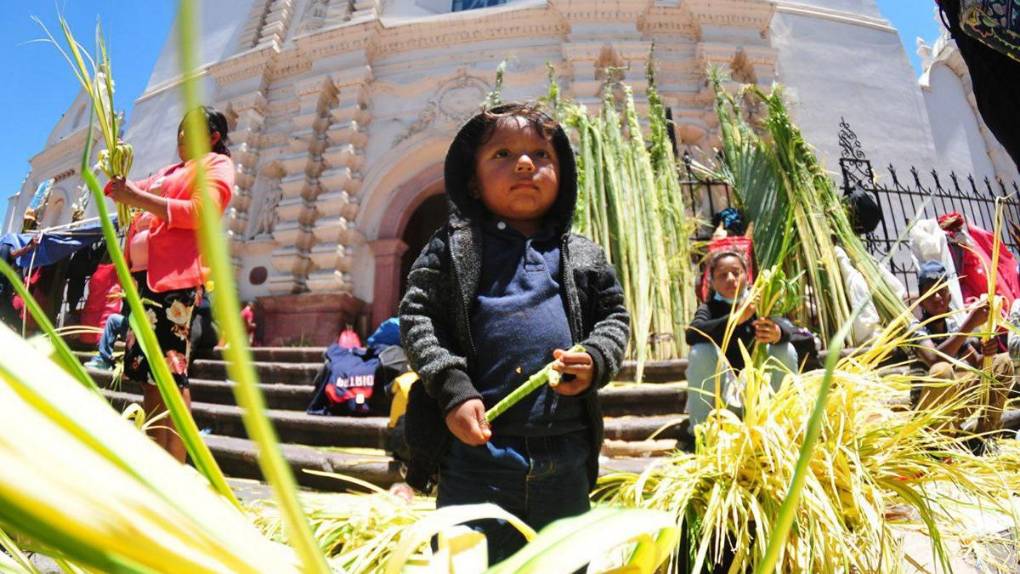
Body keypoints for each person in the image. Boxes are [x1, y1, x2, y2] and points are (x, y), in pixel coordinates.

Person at [399, 102, 629, 564]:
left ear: (562, 175)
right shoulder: (451, 248)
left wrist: (597, 357)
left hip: (565, 456)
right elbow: (418, 317)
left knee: (563, 563)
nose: (525, 163)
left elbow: (615, 318)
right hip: (477, 457)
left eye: (541, 156)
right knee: (470, 564)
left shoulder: (582, 254)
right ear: (472, 182)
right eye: (502, 154)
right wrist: (452, 389)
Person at [106, 106, 234, 462]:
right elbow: (122, 191)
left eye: (189, 131)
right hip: (140, 283)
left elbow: (201, 211)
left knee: (170, 372)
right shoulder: (168, 172)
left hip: (173, 284)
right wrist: (116, 170)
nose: (180, 137)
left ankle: (175, 466)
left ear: (213, 138)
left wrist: (137, 198)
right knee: (147, 374)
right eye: (179, 131)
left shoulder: (216, 165)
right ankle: (155, 461)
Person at [684, 250, 798, 429]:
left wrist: (778, 333)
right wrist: (736, 318)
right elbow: (692, 334)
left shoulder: (761, 302)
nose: (730, 278)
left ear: (748, 275)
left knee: (785, 349)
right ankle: (702, 430)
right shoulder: (709, 308)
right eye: (722, 275)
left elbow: (789, 329)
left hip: (760, 397)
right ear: (712, 282)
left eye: (736, 273)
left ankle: (782, 422)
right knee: (700, 352)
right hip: (722, 402)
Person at [911, 260, 1014, 436]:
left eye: (941, 291)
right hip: (927, 415)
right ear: (921, 300)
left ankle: (985, 434)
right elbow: (935, 359)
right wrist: (970, 324)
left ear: (949, 296)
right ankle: (938, 444)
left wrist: (987, 353)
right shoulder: (916, 328)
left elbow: (976, 363)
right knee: (941, 371)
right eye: (930, 293)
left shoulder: (951, 326)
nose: (937, 298)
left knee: (1003, 362)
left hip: (954, 407)